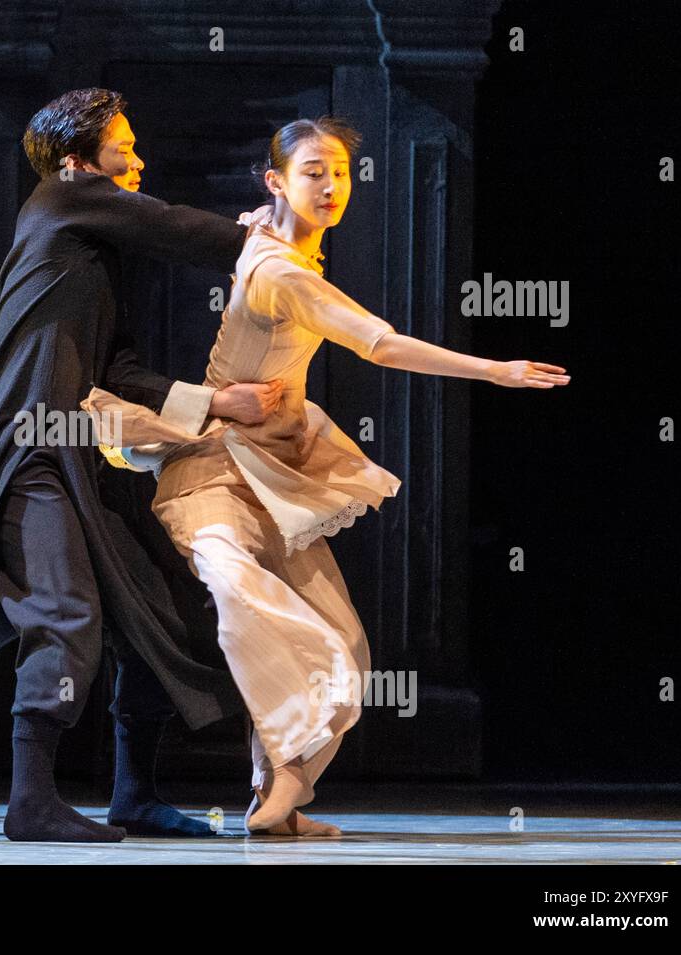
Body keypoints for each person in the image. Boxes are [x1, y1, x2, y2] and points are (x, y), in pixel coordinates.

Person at [81, 116, 570, 836]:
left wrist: (263, 222)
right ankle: (283, 769)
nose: (332, 186)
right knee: (238, 588)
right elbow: (379, 342)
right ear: (277, 180)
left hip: (272, 470)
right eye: (314, 172)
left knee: (343, 638)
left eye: (339, 172)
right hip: (212, 470)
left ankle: (278, 794)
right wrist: (494, 369)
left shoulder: (279, 246)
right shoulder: (279, 270)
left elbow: (259, 239)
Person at [0, 88, 278, 842]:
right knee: (65, 611)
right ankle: (30, 800)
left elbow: (123, 372)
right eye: (125, 150)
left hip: (76, 449)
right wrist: (264, 239)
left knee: (161, 606)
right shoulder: (60, 202)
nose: (138, 162)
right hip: (26, 452)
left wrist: (217, 401)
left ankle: (134, 793)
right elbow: (173, 227)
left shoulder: (90, 251)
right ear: (79, 165)